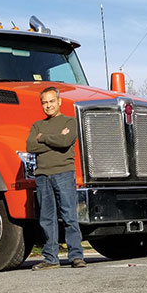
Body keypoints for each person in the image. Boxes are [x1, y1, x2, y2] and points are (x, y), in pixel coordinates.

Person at [26, 86, 86, 270]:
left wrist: (42, 138)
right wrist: (55, 139)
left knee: (69, 216)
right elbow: (30, 146)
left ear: (59, 101)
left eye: (52, 101)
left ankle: (76, 256)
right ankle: (51, 259)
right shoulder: (37, 125)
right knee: (46, 219)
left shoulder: (70, 122)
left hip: (64, 173)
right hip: (43, 176)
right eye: (44, 102)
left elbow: (66, 142)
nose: (48, 106)